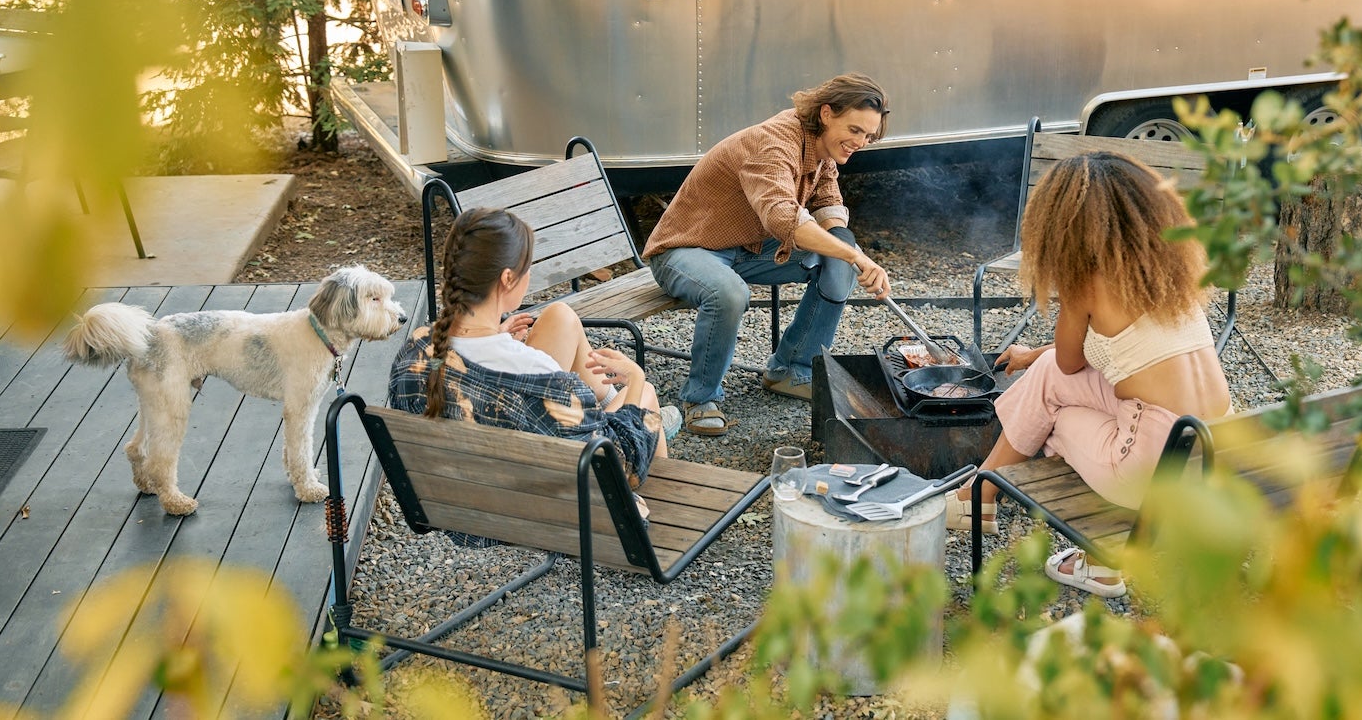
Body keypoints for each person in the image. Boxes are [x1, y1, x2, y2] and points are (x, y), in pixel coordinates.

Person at [948, 151, 1231, 598]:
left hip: (1155, 471)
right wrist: (1031, 354)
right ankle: (976, 497)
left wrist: (1055, 321)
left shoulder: (1086, 283)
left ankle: (983, 504)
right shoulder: (1171, 268)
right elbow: (1115, 348)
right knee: (1046, 381)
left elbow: (1067, 363)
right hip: (1215, 451)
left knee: (1053, 414)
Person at [389, 207, 677, 537]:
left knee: (560, 315)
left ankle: (606, 408)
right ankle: (654, 527)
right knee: (645, 397)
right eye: (528, 268)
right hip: (541, 510)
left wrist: (494, 337)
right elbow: (622, 467)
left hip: (462, 500)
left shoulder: (418, 348)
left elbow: (470, 384)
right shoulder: (539, 374)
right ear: (508, 278)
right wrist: (636, 378)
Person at [643, 73, 895, 437]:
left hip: (746, 250)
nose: (860, 142)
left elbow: (828, 203)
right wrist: (858, 257)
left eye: (868, 136)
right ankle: (700, 398)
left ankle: (791, 371)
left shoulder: (822, 148)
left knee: (839, 257)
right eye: (855, 130)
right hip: (686, 249)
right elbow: (784, 220)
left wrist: (847, 248)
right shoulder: (774, 143)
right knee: (728, 292)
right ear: (827, 113)